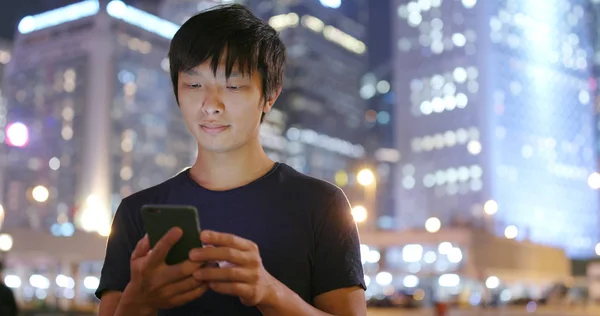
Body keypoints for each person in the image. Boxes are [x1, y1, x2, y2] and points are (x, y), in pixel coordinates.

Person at [95, 4, 367, 316]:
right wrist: (139, 300)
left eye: (233, 85)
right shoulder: (136, 213)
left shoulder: (322, 204)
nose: (211, 104)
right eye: (194, 85)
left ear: (270, 95)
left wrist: (269, 292)